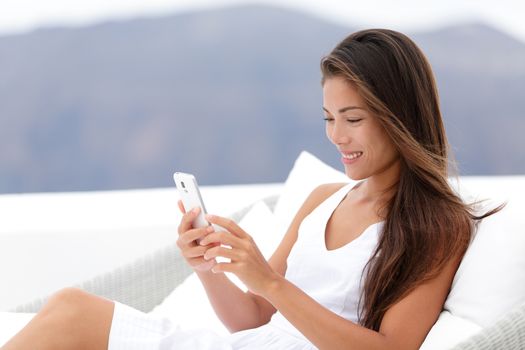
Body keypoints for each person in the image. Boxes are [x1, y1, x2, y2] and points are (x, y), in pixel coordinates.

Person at [1, 28, 503, 350]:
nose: (337, 136)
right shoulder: (322, 200)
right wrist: (210, 271)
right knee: (71, 307)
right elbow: (253, 320)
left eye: (353, 119)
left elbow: (394, 349)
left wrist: (271, 282)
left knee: (71, 313)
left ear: (400, 116)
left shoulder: (435, 224)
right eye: (329, 118)